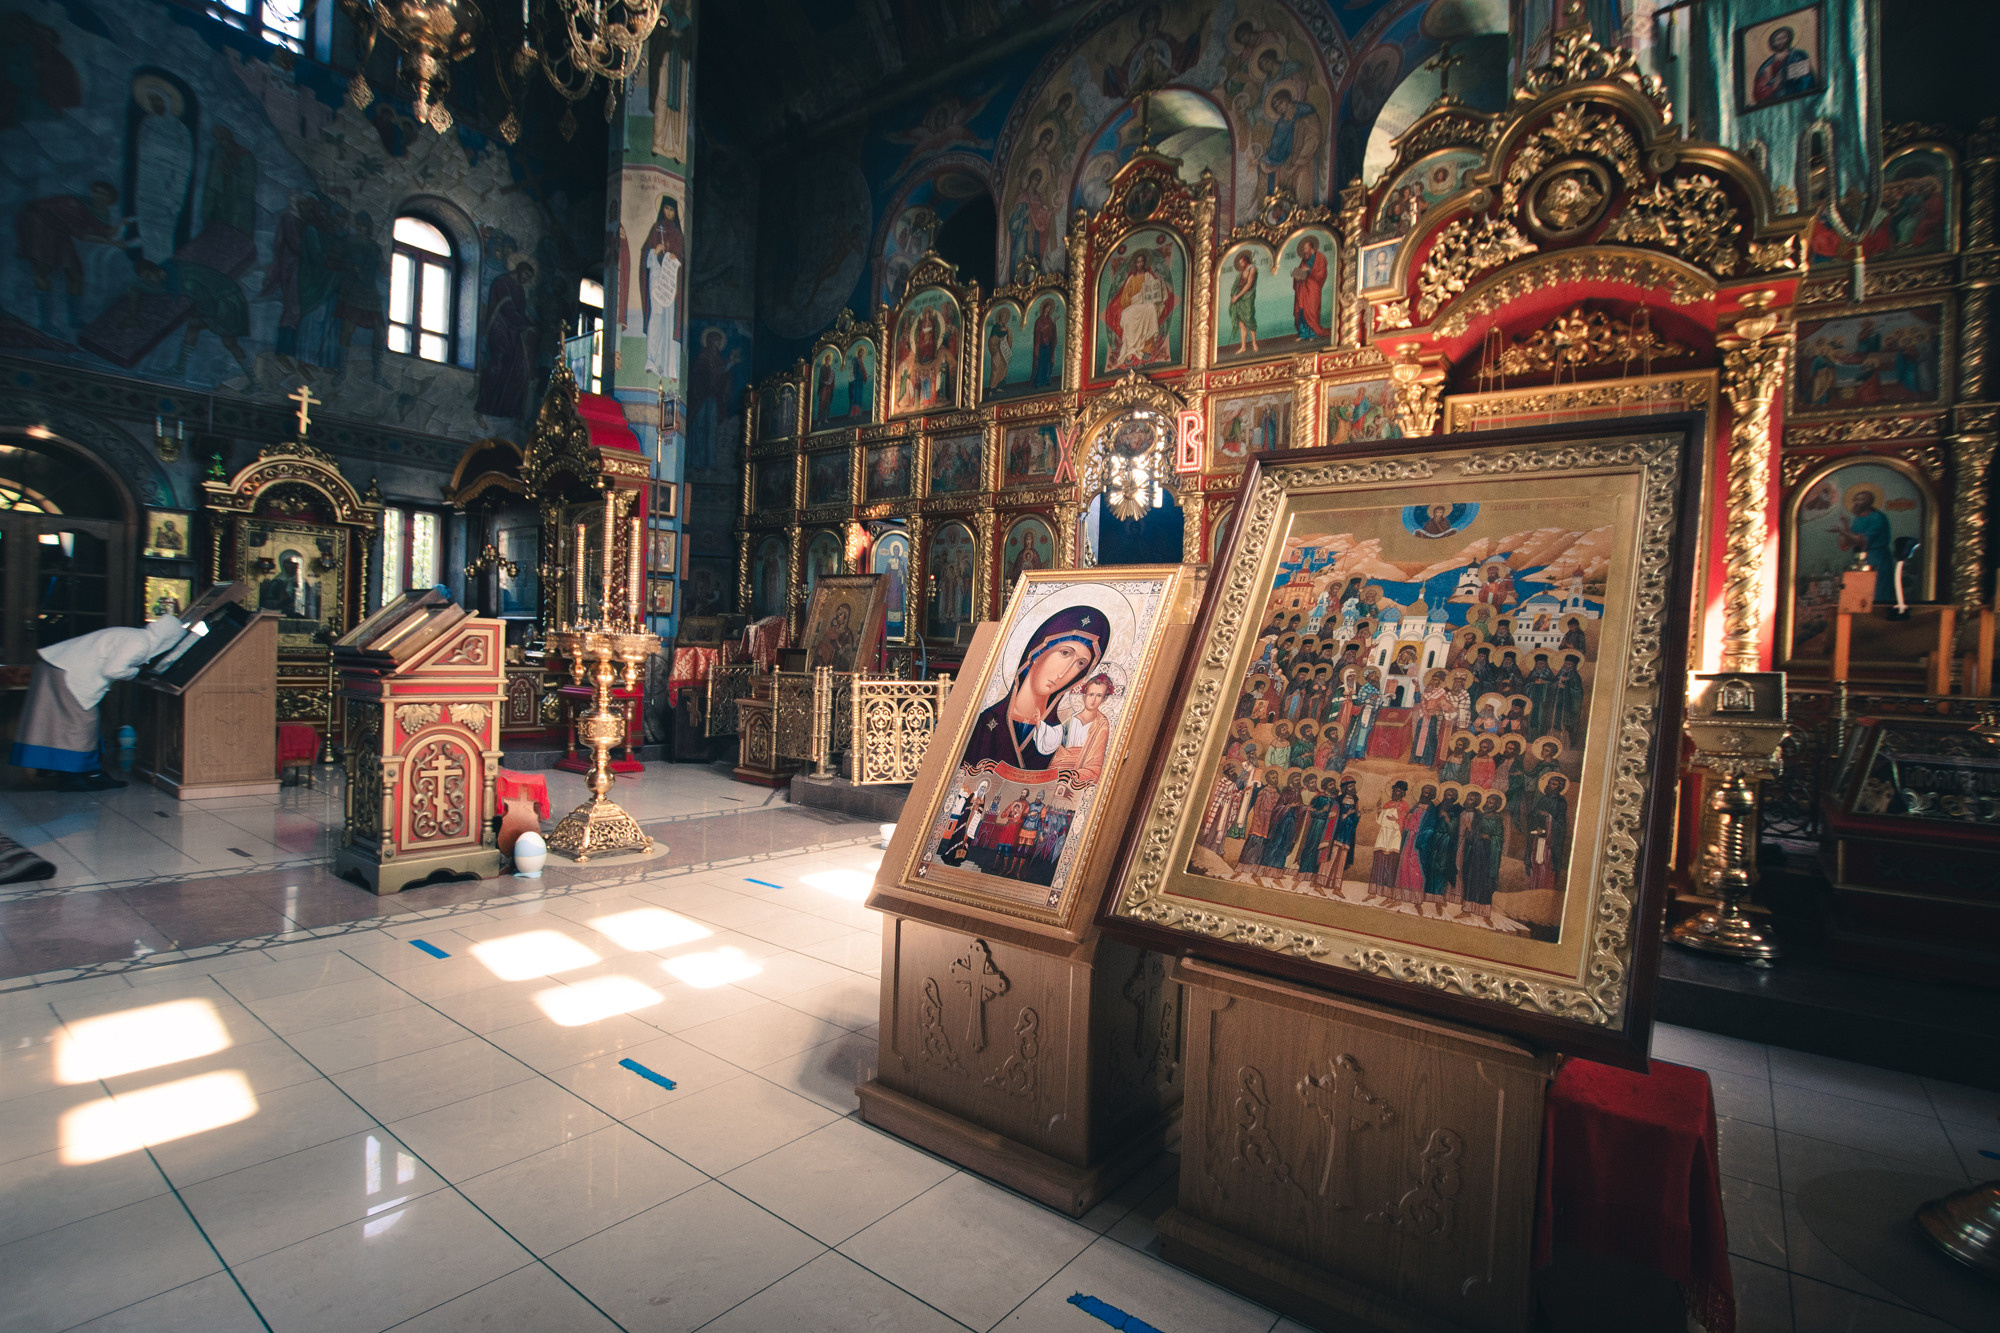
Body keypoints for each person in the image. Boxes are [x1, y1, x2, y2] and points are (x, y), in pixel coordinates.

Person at [11, 615, 191, 789]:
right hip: (68, 673)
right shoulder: (140, 644)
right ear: (167, 640)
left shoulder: (135, 635)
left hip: (58, 666)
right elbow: (112, 670)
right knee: (81, 723)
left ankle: (82, 771)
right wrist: (136, 672)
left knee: (59, 722)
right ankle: (74, 776)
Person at [961, 605, 1106, 775]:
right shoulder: (988, 721)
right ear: (1037, 652)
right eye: (1065, 653)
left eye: (1080, 664)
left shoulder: (1058, 733)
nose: (1064, 673)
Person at [1052, 672, 1115, 787]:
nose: (1093, 700)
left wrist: (1074, 774)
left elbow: (1095, 764)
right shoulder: (1068, 720)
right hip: (1054, 772)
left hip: (1076, 776)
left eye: (1099, 696)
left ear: (1104, 699)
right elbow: (1054, 752)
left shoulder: (1102, 724)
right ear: (1084, 695)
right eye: (1091, 694)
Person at [1751, 25, 1816, 104]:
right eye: (1777, 39)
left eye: (1783, 37)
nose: (1780, 41)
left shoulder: (1798, 56)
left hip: (1798, 100)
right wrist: (1773, 86)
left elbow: (1807, 79)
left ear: (1789, 39)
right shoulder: (1766, 65)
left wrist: (1786, 78)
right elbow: (1759, 93)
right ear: (1772, 42)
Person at [1368, 780, 1410, 899]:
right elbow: (1380, 821)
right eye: (1394, 790)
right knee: (1379, 862)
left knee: (1391, 864)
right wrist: (1379, 810)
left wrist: (1396, 820)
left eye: (1398, 791)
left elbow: (1406, 823)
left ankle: (1389, 894)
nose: (1395, 793)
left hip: (1395, 836)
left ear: (1403, 793)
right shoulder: (1388, 804)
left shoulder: (1404, 806)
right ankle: (1373, 892)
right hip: (1383, 836)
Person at [1290, 235, 1328, 340]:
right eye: (1304, 249)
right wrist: (1297, 275)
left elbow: (1321, 272)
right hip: (1303, 289)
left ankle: (1312, 334)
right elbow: (1300, 272)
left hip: (1313, 288)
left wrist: (1309, 270)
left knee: (1311, 310)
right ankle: (1303, 334)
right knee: (1302, 311)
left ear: (1311, 247)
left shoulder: (1319, 257)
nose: (1304, 251)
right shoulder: (1304, 259)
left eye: (1306, 248)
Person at [1226, 250, 1259, 354]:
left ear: (1246, 261)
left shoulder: (1252, 269)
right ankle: (1243, 347)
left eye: (1242, 263)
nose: (1241, 265)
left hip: (1247, 297)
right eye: (1240, 263)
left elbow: (1249, 284)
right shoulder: (1241, 272)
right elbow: (1237, 285)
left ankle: (1254, 343)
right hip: (1239, 298)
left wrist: (1238, 296)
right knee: (1241, 323)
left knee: (1249, 319)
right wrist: (1234, 296)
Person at [1030, 297, 1058, 389]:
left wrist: (1054, 323)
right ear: (1044, 308)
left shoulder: (1050, 320)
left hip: (1048, 344)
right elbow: (1036, 332)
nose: (1048, 310)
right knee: (1040, 363)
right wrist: (1042, 329)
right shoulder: (1039, 320)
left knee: (1047, 363)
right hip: (1041, 344)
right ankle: (1038, 382)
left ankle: (1047, 380)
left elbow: (1052, 331)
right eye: (1047, 307)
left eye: (1049, 308)